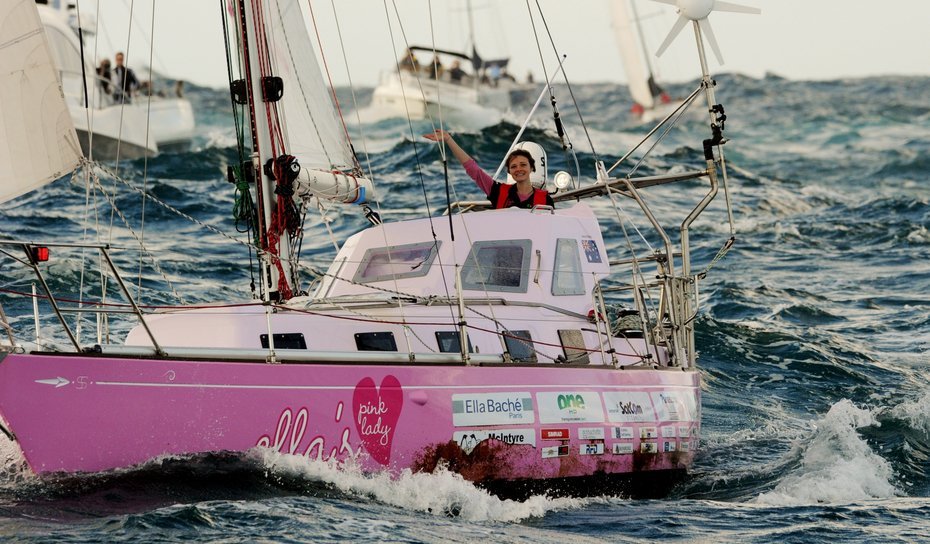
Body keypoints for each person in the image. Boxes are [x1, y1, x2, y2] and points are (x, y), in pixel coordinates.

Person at [424, 129, 553, 210]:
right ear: (509, 172)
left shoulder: (546, 200)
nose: (518, 169)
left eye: (523, 165)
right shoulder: (498, 191)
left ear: (532, 168)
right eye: (513, 166)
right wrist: (448, 139)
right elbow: (474, 170)